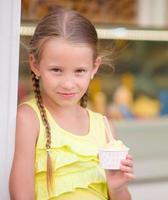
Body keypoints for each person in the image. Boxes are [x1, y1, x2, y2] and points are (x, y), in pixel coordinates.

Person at [9, 8, 134, 200]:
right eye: (57, 70)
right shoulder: (28, 119)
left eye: (79, 71)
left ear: (94, 68)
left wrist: (117, 189)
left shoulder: (105, 127)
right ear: (35, 65)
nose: (68, 83)